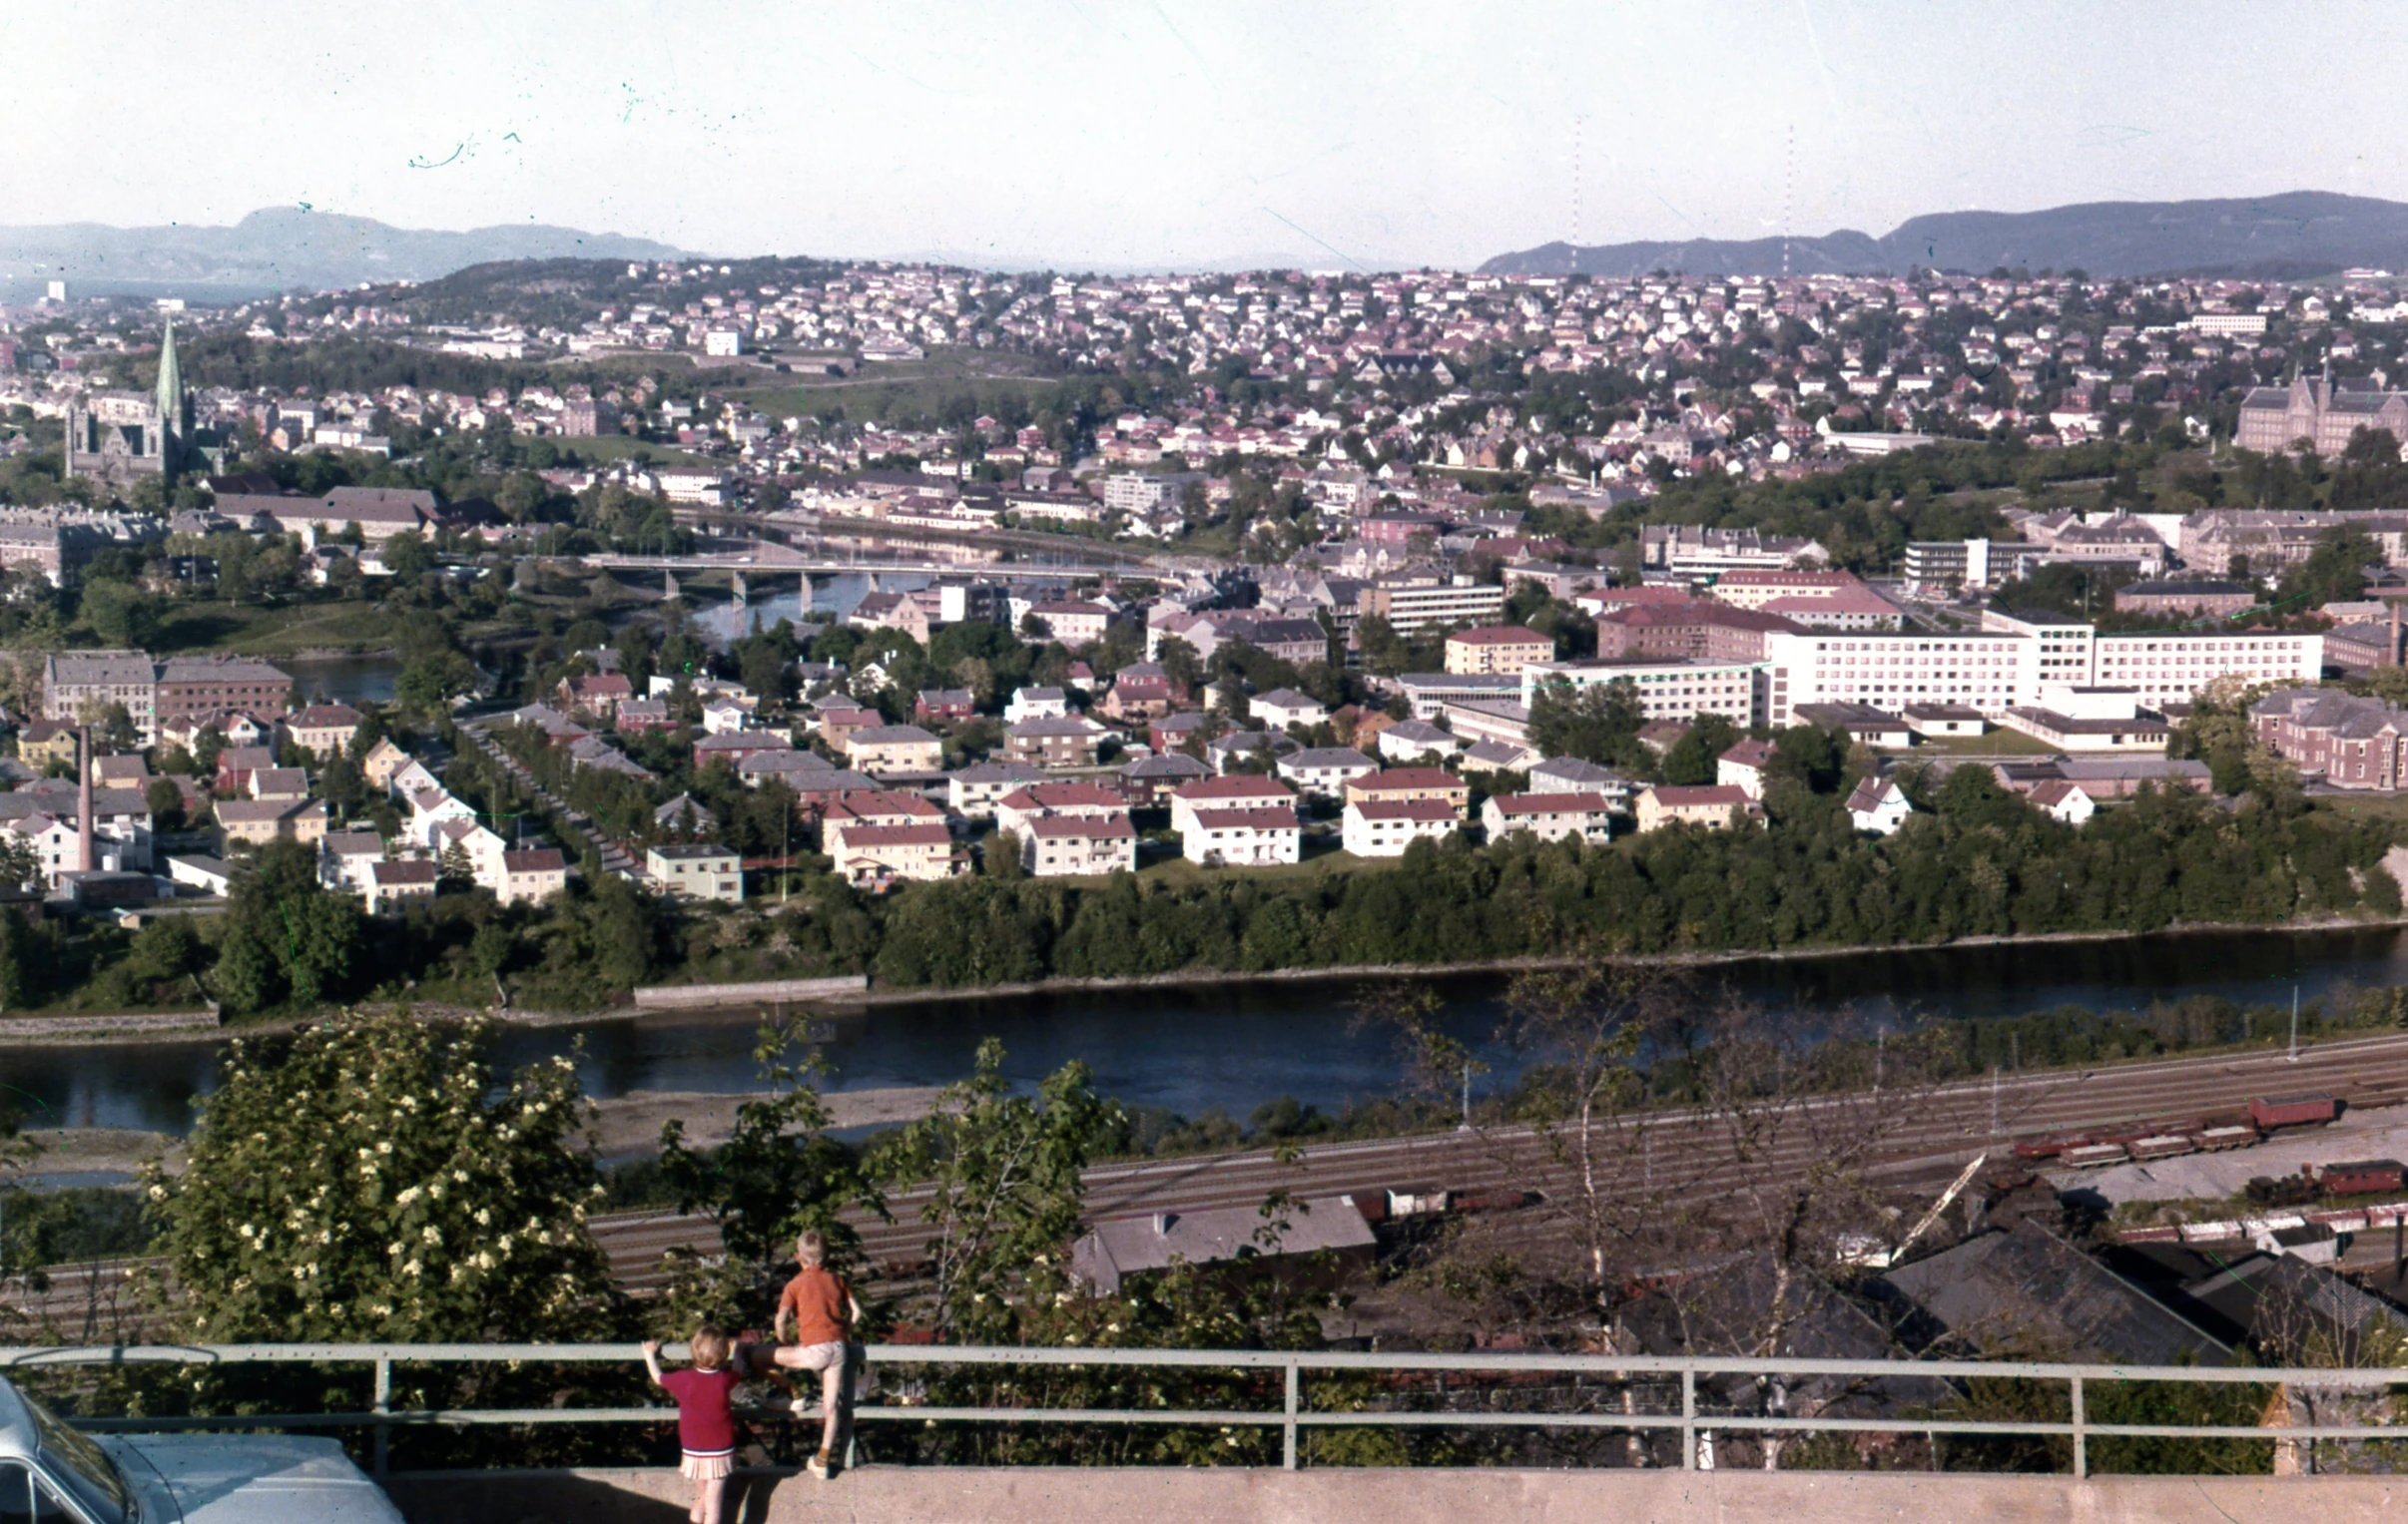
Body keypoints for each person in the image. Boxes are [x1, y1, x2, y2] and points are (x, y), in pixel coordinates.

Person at [768, 1229, 864, 1480]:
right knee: (831, 1406)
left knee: (757, 1355)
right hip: (839, 1348)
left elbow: (781, 1320)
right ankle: (822, 1459)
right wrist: (846, 1330)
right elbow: (857, 1312)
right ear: (827, 1256)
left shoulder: (794, 1284)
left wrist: (785, 1341)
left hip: (814, 1349)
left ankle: (794, 1393)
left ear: (798, 1256)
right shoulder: (837, 1279)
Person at [643, 1326, 742, 1524]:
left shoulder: (683, 1378)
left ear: (693, 1351)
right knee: (713, 1501)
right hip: (720, 1450)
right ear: (723, 1354)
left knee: (702, 1497)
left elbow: (658, 1377)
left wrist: (649, 1356)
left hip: (693, 1448)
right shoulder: (725, 1379)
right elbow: (739, 1370)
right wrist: (738, 1351)